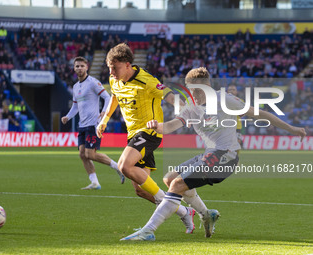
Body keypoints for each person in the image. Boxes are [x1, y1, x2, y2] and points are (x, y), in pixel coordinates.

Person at [121, 67, 306, 241]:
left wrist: (292, 128)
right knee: (170, 179)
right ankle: (206, 214)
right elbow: (170, 126)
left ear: (207, 86)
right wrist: (157, 126)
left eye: (196, 90)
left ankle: (148, 231)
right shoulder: (191, 107)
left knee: (177, 184)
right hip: (210, 154)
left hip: (227, 156)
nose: (193, 95)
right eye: (190, 90)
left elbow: (260, 114)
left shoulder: (225, 100)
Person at [96, 43, 196, 234]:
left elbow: (169, 95)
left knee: (124, 166)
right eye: (109, 68)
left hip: (150, 131)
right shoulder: (114, 79)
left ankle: (166, 199)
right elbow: (114, 96)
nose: (112, 72)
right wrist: (105, 120)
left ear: (127, 65)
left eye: (115, 68)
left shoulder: (146, 80)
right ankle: (184, 211)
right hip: (133, 135)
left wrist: (183, 110)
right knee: (140, 190)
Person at [61, 56, 125, 190]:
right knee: (82, 154)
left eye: (81, 66)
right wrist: (68, 117)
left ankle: (117, 167)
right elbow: (75, 106)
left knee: (90, 154)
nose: (79, 68)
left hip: (93, 124)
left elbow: (107, 98)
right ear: (74, 68)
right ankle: (95, 182)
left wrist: (103, 112)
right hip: (82, 125)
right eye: (77, 66)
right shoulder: (75, 86)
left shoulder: (92, 82)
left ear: (87, 67)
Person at [227, 84, 243, 150]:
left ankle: (236, 160)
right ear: (227, 91)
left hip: (237, 126)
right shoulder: (222, 101)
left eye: (233, 90)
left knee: (237, 144)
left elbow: (241, 114)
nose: (232, 91)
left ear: (236, 92)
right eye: (230, 89)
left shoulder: (241, 101)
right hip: (225, 126)